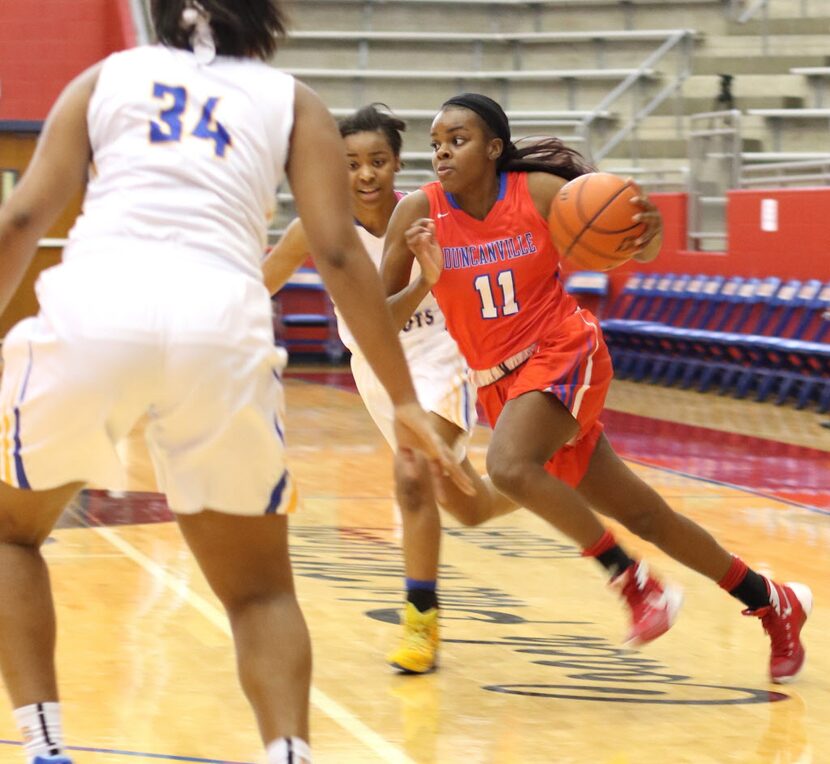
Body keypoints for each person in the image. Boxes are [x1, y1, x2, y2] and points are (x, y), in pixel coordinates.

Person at [0, 3, 474, 763]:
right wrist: (407, 400)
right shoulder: (295, 102)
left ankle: (45, 747)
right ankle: (287, 753)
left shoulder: (104, 78)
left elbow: (23, 217)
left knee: (10, 535)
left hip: (97, 307)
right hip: (219, 323)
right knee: (260, 594)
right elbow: (341, 258)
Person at [380, 92, 813, 684]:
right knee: (643, 515)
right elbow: (373, 318)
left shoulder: (534, 192)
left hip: (564, 351)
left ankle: (633, 582)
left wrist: (651, 230)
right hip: (500, 386)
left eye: (457, 140)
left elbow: (629, 241)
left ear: (494, 148)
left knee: (508, 465)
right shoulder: (418, 217)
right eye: (434, 145)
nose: (442, 154)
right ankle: (773, 602)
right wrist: (426, 282)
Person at [262, 104, 517, 675]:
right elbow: (264, 283)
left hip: (442, 359)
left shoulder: (430, 215)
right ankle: (548, 483)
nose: (366, 174)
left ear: (398, 163)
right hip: (376, 370)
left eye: (378, 161)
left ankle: (420, 619)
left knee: (414, 475)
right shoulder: (317, 224)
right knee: (465, 504)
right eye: (351, 164)